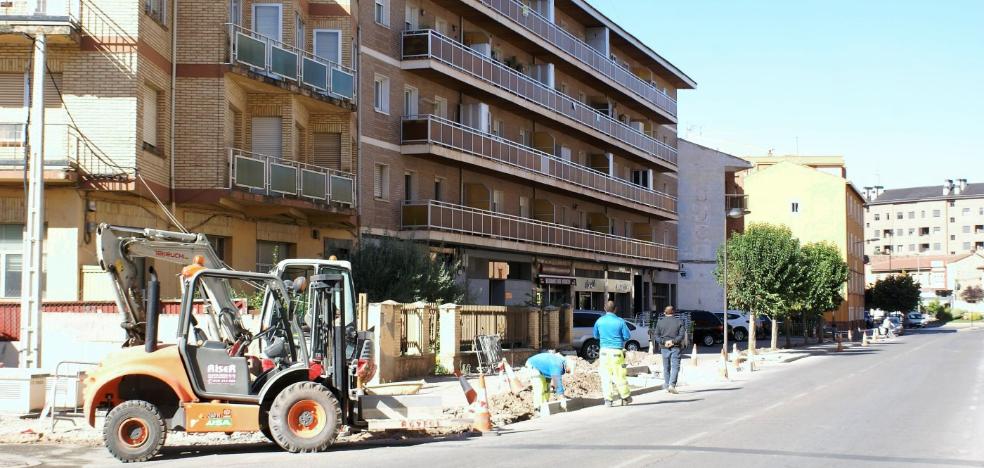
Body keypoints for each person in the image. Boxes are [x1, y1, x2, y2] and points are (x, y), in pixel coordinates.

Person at [592, 301, 632, 407]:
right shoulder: (620, 321)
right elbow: (627, 336)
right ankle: (625, 397)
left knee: (606, 376)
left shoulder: (599, 321)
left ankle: (608, 400)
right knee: (620, 375)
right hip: (617, 352)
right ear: (616, 309)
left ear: (605, 309)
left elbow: (595, 336)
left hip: (604, 352)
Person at [654, 306, 685, 394]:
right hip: (676, 346)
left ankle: (667, 385)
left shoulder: (660, 322)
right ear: (673, 312)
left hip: (664, 347)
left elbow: (656, 335)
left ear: (665, 312)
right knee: (675, 366)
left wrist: (663, 342)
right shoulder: (679, 322)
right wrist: (673, 341)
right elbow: (681, 335)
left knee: (666, 367)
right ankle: (672, 385)